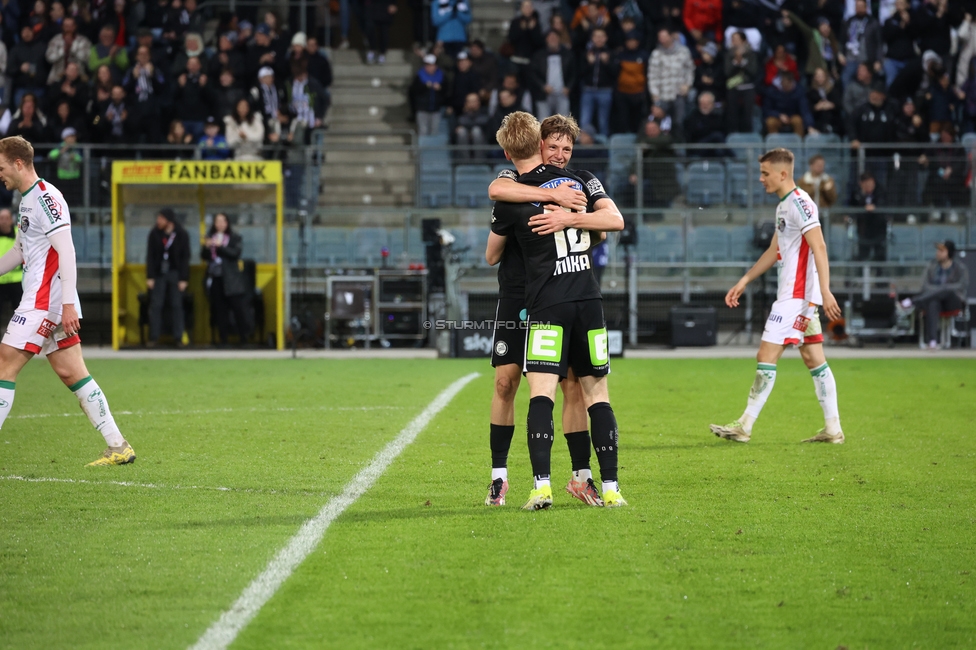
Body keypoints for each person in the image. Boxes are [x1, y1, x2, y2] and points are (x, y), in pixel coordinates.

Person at [488, 111, 627, 508]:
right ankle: (499, 477)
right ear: (537, 144)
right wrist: (552, 202)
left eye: (567, 148)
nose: (561, 155)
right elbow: (492, 244)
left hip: (562, 290)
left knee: (569, 387)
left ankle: (579, 476)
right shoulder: (513, 182)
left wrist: (571, 219)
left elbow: (606, 225)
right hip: (520, 295)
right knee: (507, 383)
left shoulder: (580, 181)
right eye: (554, 147)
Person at [0, 135, 135, 465]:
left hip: (45, 300)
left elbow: (67, 250)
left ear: (19, 164)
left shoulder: (47, 198)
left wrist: (69, 305)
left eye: (1, 167)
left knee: (4, 363)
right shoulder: (27, 199)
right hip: (50, 300)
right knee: (72, 372)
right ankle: (118, 446)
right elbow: (20, 250)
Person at [710, 148, 844, 445]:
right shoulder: (784, 206)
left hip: (797, 298)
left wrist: (824, 290)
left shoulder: (801, 204)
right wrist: (745, 279)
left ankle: (744, 424)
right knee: (813, 359)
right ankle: (833, 428)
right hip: (799, 298)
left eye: (765, 174)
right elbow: (775, 249)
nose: (761, 179)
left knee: (765, 356)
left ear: (783, 174)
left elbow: (819, 246)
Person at [900, 240, 969, 349]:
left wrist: (942, 289)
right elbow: (925, 286)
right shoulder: (931, 267)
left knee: (946, 289)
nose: (938, 253)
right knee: (933, 302)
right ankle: (932, 341)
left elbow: (961, 286)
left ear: (949, 252)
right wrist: (938, 291)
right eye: (938, 250)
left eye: (942, 250)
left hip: (953, 301)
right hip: (934, 301)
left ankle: (912, 301)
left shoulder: (960, 268)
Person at [201, 213, 253, 346]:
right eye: (217, 221)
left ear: (227, 223)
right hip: (215, 277)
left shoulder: (235, 237)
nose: (220, 224)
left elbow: (235, 254)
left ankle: (244, 338)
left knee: (238, 309)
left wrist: (220, 247)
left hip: (231, 280)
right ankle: (223, 339)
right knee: (220, 310)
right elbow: (204, 256)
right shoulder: (210, 237)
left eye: (223, 221)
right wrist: (208, 247)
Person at [146, 207, 190, 347]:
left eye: (161, 218)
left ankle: (178, 337)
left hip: (175, 273)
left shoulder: (181, 234)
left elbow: (185, 257)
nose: (158, 221)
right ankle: (154, 337)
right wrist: (150, 276)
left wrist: (184, 278)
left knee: (177, 305)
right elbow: (150, 256)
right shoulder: (154, 234)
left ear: (169, 220)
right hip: (159, 274)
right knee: (156, 305)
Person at [648, 28, 693, 139]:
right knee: (660, 124)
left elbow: (690, 70)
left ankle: (680, 152)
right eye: (660, 37)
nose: (661, 39)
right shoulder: (656, 53)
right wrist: (654, 94)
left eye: (664, 36)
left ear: (670, 36)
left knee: (679, 123)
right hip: (662, 95)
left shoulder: (684, 51)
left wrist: (688, 85)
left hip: (678, 94)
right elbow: (652, 75)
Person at [578, 27, 616, 137]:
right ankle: (584, 149)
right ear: (592, 38)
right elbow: (580, 72)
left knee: (603, 122)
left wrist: (607, 62)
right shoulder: (586, 53)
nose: (599, 39)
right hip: (587, 90)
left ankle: (604, 150)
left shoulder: (611, 53)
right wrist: (589, 64)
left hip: (605, 91)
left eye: (601, 36)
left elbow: (615, 73)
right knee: (585, 121)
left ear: (606, 38)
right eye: (596, 36)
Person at [529, 30, 575, 119]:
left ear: (559, 39)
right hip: (544, 94)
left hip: (562, 93)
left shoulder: (568, 55)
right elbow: (533, 73)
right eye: (550, 38)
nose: (553, 40)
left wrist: (569, 87)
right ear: (546, 40)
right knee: (543, 121)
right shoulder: (538, 55)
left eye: (555, 37)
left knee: (563, 122)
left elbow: (573, 73)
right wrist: (542, 86)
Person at [849, 171, 887, 261]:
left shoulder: (881, 191)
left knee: (880, 254)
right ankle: (860, 273)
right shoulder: (856, 193)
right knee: (862, 254)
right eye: (866, 184)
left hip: (879, 228)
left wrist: (875, 207)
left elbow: (885, 204)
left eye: (871, 183)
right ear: (861, 184)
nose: (869, 186)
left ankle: (879, 273)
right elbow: (851, 206)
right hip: (863, 229)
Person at [762, 72, 811, 136]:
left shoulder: (799, 91)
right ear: (781, 82)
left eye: (787, 85)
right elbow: (766, 110)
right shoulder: (772, 91)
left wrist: (810, 125)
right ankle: (775, 145)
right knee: (770, 122)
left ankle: (798, 145)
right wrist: (779, 115)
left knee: (798, 120)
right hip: (777, 116)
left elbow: (804, 110)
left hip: (793, 116)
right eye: (783, 84)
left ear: (791, 82)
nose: (785, 87)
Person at [410, 54, 446, 136]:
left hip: (436, 109)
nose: (429, 67)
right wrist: (425, 86)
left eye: (432, 65)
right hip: (422, 109)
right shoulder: (419, 76)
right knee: (423, 131)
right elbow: (413, 91)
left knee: (435, 132)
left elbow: (446, 91)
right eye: (427, 65)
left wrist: (440, 88)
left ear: (436, 66)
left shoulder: (442, 76)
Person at [0, 208, 22, 329]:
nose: (3, 221)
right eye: (1, 219)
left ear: (11, 220)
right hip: (0, 280)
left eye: (6, 218)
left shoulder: (19, 234)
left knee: (20, 314)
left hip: (16, 281)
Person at [454, 92, 489, 159]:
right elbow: (453, 133)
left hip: (483, 143)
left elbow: (486, 126)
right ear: (466, 103)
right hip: (464, 143)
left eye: (474, 101)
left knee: (476, 131)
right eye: (470, 101)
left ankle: (479, 161)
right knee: (462, 131)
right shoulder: (460, 114)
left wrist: (470, 131)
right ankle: (464, 161)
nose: (472, 103)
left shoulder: (485, 112)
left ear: (479, 102)